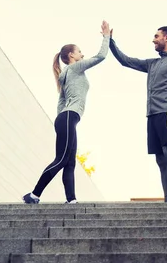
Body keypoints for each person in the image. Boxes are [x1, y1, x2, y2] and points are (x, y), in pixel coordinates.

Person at [23, 20, 111, 204]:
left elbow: (61, 102)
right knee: (62, 159)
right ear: (71, 55)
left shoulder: (66, 74)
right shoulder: (75, 67)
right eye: (79, 51)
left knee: (70, 162)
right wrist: (106, 36)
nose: (82, 54)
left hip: (66, 118)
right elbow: (101, 56)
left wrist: (61, 122)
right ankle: (34, 195)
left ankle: (71, 200)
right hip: (68, 117)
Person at [109, 26, 167, 203]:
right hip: (152, 115)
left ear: (166, 38)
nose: (153, 40)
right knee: (160, 159)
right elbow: (126, 61)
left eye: (156, 36)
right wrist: (109, 41)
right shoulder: (152, 63)